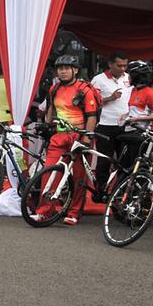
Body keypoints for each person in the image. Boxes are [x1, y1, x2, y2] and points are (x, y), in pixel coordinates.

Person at [39, 54, 100, 223]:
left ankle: (73, 213)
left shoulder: (85, 89)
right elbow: (51, 108)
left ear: (75, 70)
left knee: (78, 177)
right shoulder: (54, 89)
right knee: (49, 172)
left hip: (80, 136)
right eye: (60, 68)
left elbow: (92, 116)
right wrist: (46, 123)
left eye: (66, 68)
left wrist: (87, 138)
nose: (63, 71)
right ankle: (45, 210)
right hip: (60, 136)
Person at [90, 52, 130, 191]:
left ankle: (120, 192)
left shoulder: (129, 78)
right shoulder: (98, 79)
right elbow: (91, 103)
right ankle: (101, 190)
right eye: (119, 65)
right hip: (105, 126)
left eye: (125, 65)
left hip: (125, 126)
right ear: (110, 64)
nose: (123, 68)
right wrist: (109, 98)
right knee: (104, 160)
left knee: (125, 161)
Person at [120, 60, 153, 168]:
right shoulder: (133, 90)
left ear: (137, 76)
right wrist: (126, 115)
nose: (128, 78)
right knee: (125, 167)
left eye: (130, 75)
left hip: (141, 134)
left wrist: (137, 119)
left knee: (137, 167)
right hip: (130, 132)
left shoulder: (150, 93)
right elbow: (137, 110)